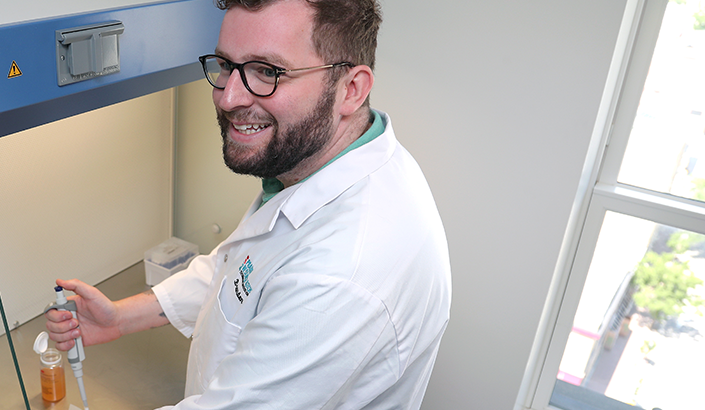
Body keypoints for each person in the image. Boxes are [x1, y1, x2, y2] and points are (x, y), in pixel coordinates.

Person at [45, 0, 451, 408]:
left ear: (351, 89)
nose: (228, 98)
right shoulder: (311, 166)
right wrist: (121, 317)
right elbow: (240, 268)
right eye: (226, 65)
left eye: (267, 71)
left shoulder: (344, 270)